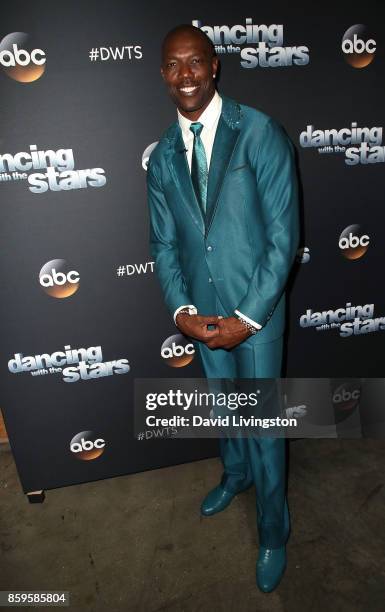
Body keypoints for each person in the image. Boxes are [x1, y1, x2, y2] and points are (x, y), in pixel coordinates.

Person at [146, 23, 299, 592]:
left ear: (215, 66)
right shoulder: (162, 154)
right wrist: (183, 311)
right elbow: (163, 243)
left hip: (255, 320)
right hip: (205, 318)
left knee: (263, 426)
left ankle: (274, 529)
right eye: (173, 66)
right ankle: (234, 477)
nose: (185, 75)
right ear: (163, 75)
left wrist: (250, 317)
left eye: (195, 63)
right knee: (225, 412)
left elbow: (284, 238)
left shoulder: (259, 132)